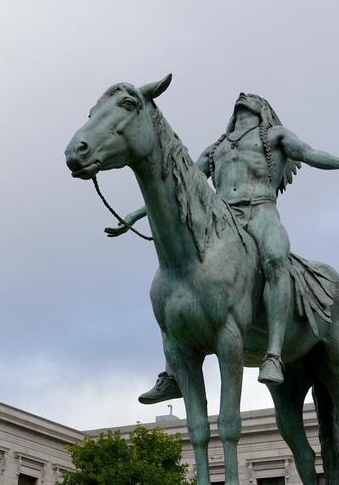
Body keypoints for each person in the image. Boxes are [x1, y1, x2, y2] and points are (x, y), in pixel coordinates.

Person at [106, 93, 339, 402]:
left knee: (273, 258)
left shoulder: (275, 136)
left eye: (252, 97)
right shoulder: (218, 147)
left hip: (261, 213)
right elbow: (180, 182)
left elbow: (310, 154)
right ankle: (172, 373)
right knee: (174, 281)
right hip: (223, 218)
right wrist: (135, 214)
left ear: (263, 108)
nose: (243, 97)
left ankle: (273, 353)